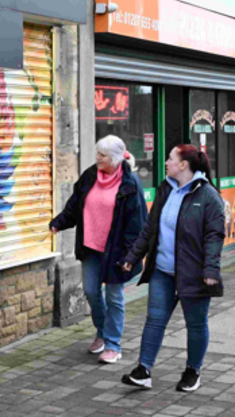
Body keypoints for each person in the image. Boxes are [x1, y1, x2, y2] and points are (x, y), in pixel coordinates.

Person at [119, 145, 225, 392]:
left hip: (194, 274)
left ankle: (192, 371)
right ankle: (143, 370)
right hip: (162, 271)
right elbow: (150, 228)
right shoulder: (166, 189)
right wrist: (133, 257)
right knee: (154, 320)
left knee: (196, 324)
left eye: (170, 158)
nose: (166, 162)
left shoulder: (208, 196)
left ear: (184, 165)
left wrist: (211, 270)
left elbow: (214, 236)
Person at [49, 135, 148, 364]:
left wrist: (130, 257)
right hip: (91, 247)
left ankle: (113, 344)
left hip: (117, 252)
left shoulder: (130, 185)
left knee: (114, 297)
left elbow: (137, 226)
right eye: (97, 154)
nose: (98, 158)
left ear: (115, 159)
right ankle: (102, 332)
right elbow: (76, 204)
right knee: (92, 292)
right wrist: (59, 222)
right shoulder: (91, 176)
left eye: (102, 155)